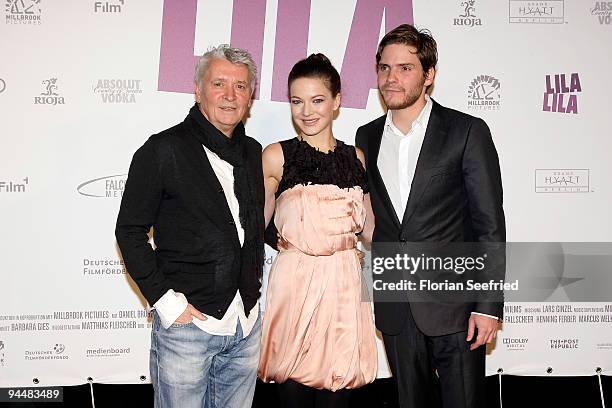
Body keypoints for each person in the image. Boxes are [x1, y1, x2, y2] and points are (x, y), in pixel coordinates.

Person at [355, 24, 505, 408]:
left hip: (456, 307)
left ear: (429, 75)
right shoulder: (366, 137)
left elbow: (489, 225)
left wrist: (487, 306)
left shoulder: (466, 131)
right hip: (396, 308)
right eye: (385, 67)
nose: (391, 78)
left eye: (405, 68)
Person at [115, 45, 264, 408]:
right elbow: (129, 232)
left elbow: (252, 229)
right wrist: (167, 304)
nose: (230, 96)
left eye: (241, 86)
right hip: (188, 327)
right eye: (219, 84)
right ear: (198, 90)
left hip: (244, 324)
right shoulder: (162, 150)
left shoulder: (253, 152)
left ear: (251, 96)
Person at [258, 54, 378, 408]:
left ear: (337, 101)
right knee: (292, 390)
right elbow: (252, 227)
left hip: (344, 286)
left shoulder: (356, 158)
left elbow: (371, 230)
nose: (306, 111)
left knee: (338, 393)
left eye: (318, 100)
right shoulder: (276, 156)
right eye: (297, 101)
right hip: (295, 286)